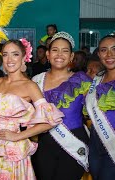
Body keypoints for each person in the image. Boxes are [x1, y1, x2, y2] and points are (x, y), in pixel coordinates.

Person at [0, 39, 64, 179]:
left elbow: (50, 120)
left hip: (15, 152)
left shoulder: (30, 86)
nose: (9, 59)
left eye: (15, 54)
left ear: (23, 58)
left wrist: (18, 136)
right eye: (5, 54)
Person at [32, 32, 92, 180]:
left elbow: (94, 111)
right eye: (55, 50)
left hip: (73, 141)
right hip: (45, 143)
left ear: (71, 56)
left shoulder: (82, 80)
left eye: (65, 50)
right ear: (47, 54)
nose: (59, 54)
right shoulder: (35, 81)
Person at [85, 34, 115, 180]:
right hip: (95, 144)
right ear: (99, 54)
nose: (109, 54)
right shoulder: (96, 80)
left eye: (114, 49)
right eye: (104, 50)